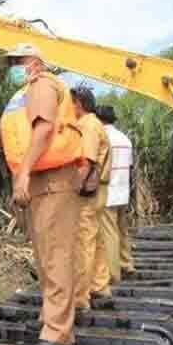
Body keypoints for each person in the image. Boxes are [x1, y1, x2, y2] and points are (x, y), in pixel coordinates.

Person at [0, 43, 82, 345]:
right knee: (46, 255)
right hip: (41, 182)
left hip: (53, 180)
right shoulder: (25, 93)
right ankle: (52, 318)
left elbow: (44, 129)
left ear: (33, 61)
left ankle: (59, 333)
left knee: (56, 255)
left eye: (17, 61)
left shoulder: (43, 85)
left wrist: (23, 173)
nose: (13, 67)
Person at [71, 86, 113, 311]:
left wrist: (73, 190)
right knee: (95, 241)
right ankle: (100, 286)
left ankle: (80, 296)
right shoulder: (96, 124)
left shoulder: (87, 125)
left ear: (78, 103)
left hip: (87, 194)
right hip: (98, 191)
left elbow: (85, 162)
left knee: (83, 242)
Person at [96, 105, 135, 283]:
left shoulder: (103, 138)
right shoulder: (125, 139)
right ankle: (127, 264)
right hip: (123, 190)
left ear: (98, 119)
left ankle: (113, 273)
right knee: (122, 229)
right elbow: (130, 166)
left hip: (108, 191)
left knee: (109, 233)